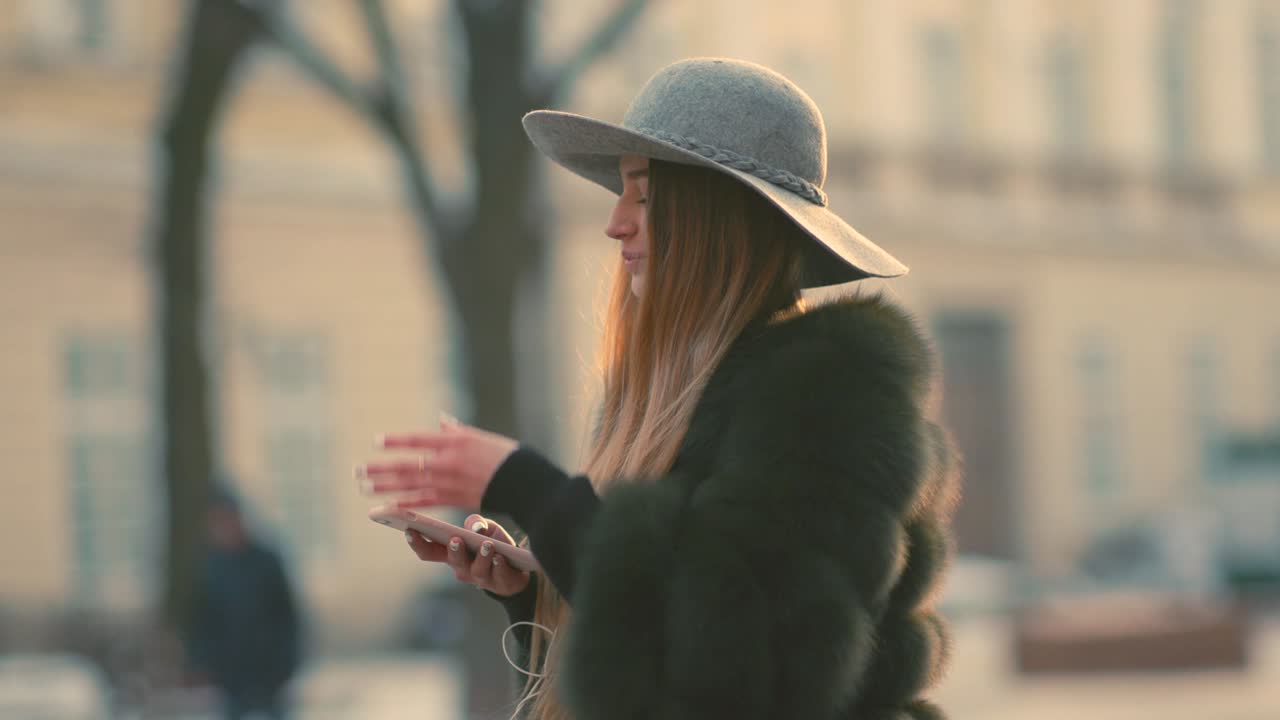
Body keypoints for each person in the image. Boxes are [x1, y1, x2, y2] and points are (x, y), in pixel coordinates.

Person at [359, 57, 958, 720]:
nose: (617, 222)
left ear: (713, 214)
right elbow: (669, 656)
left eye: (643, 196)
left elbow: (742, 660)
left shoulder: (828, 399)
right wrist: (538, 592)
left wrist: (534, 491)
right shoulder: (681, 397)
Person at [187, 488, 303, 720]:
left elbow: (287, 614)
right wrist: (202, 662)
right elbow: (204, 620)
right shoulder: (212, 568)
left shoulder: (266, 561)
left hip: (271, 671)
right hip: (232, 676)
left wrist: (288, 661)